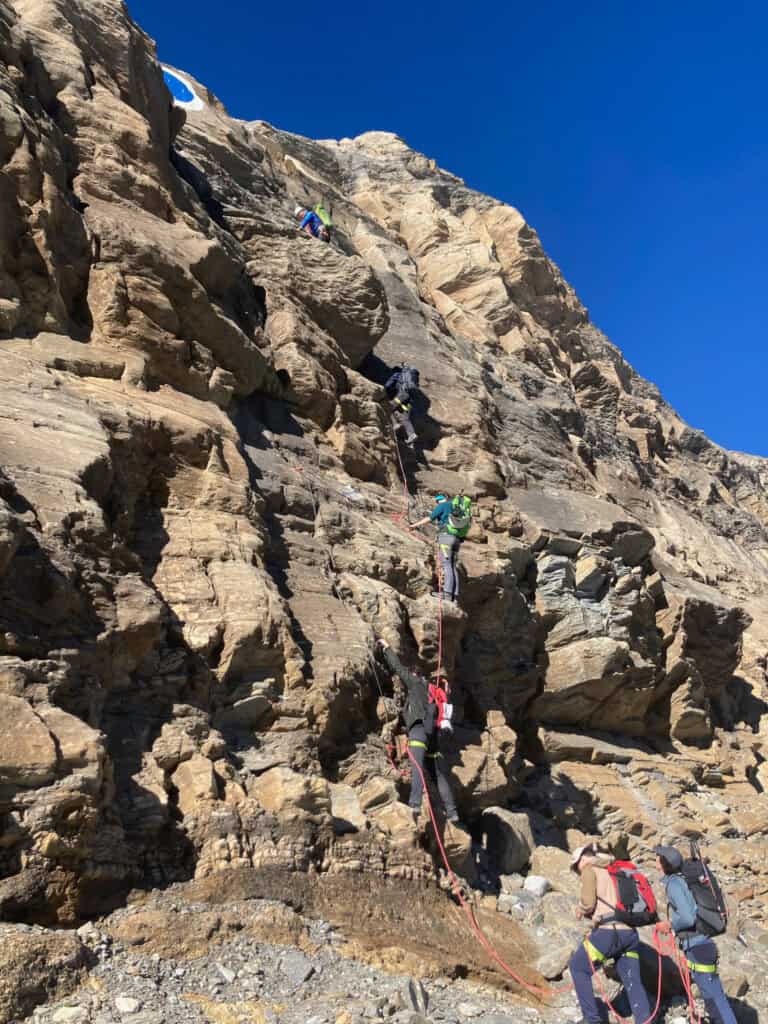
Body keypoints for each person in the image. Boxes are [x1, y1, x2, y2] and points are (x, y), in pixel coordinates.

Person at [376, 639, 461, 827]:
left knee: (416, 766)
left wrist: (386, 648)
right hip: (434, 736)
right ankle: (452, 812)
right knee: (438, 774)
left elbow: (398, 668)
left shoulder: (415, 684)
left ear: (415, 674)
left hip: (419, 730)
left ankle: (414, 805)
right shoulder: (434, 693)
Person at [567, 844, 654, 1024]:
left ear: (582, 859)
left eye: (577, 867)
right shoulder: (615, 868)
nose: (578, 871)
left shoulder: (590, 870)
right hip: (629, 934)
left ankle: (592, 1019)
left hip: (609, 933)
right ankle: (644, 1020)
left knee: (578, 966)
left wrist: (580, 910)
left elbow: (589, 902)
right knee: (632, 981)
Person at [655, 845, 737, 1024]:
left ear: (664, 863)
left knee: (716, 1001)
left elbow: (687, 916)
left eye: (658, 857)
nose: (655, 860)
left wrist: (669, 924)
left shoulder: (674, 884)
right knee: (712, 1000)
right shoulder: (680, 881)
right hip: (700, 946)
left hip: (697, 947)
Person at [411, 494, 472, 604]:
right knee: (452, 565)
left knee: (447, 565)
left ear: (438, 501)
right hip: (457, 539)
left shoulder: (442, 505)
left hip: (446, 538)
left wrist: (414, 526)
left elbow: (430, 518)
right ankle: (453, 595)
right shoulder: (459, 508)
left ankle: (447, 593)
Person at [384, 365, 420, 447]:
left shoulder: (398, 374)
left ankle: (395, 424)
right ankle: (412, 435)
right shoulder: (412, 378)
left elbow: (388, 385)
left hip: (402, 395)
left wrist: (384, 391)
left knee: (388, 407)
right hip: (409, 401)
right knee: (405, 418)